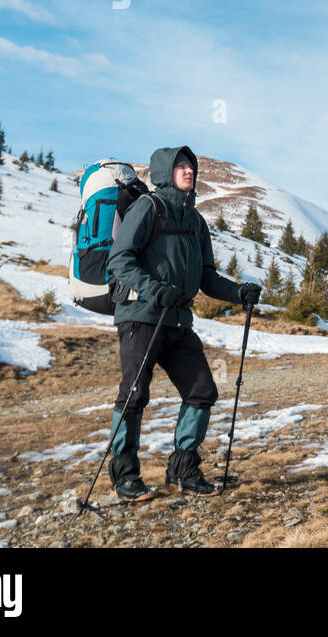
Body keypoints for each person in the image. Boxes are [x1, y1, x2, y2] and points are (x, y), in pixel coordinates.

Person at [105, 146, 261, 500]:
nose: (189, 171)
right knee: (133, 395)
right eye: (181, 166)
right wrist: (152, 289)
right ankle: (124, 476)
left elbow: (207, 277)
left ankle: (183, 470)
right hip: (141, 317)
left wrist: (239, 292)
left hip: (177, 320)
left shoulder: (196, 221)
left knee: (202, 390)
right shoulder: (149, 207)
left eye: (191, 167)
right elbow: (119, 261)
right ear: (164, 172)